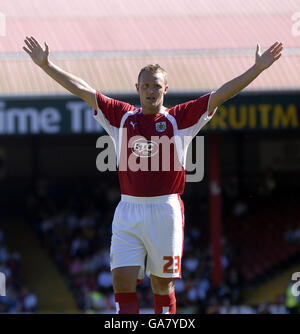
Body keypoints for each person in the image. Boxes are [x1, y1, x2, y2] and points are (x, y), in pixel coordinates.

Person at [23, 36, 283, 314]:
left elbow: (220, 94)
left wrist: (257, 69)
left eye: (156, 85)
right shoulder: (121, 117)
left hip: (165, 210)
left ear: (165, 89)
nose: (150, 90)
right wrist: (46, 66)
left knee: (162, 284)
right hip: (128, 210)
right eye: (145, 85)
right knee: (121, 280)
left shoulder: (180, 119)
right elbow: (84, 90)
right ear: (137, 88)